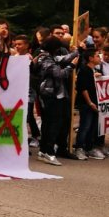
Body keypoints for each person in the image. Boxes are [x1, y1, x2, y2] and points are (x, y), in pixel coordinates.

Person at [34, 36, 79, 165]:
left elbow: (63, 59)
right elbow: (60, 74)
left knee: (49, 123)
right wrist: (72, 66)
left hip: (53, 94)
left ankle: (43, 151)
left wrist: (77, 51)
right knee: (52, 124)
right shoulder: (45, 59)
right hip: (50, 95)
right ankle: (49, 152)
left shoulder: (49, 56)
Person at [74, 48, 101, 160]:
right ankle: (79, 148)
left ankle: (89, 148)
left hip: (94, 102)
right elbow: (83, 88)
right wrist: (90, 102)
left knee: (92, 127)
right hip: (86, 104)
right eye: (97, 56)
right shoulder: (84, 70)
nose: (99, 58)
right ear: (90, 58)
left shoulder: (92, 71)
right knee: (85, 126)